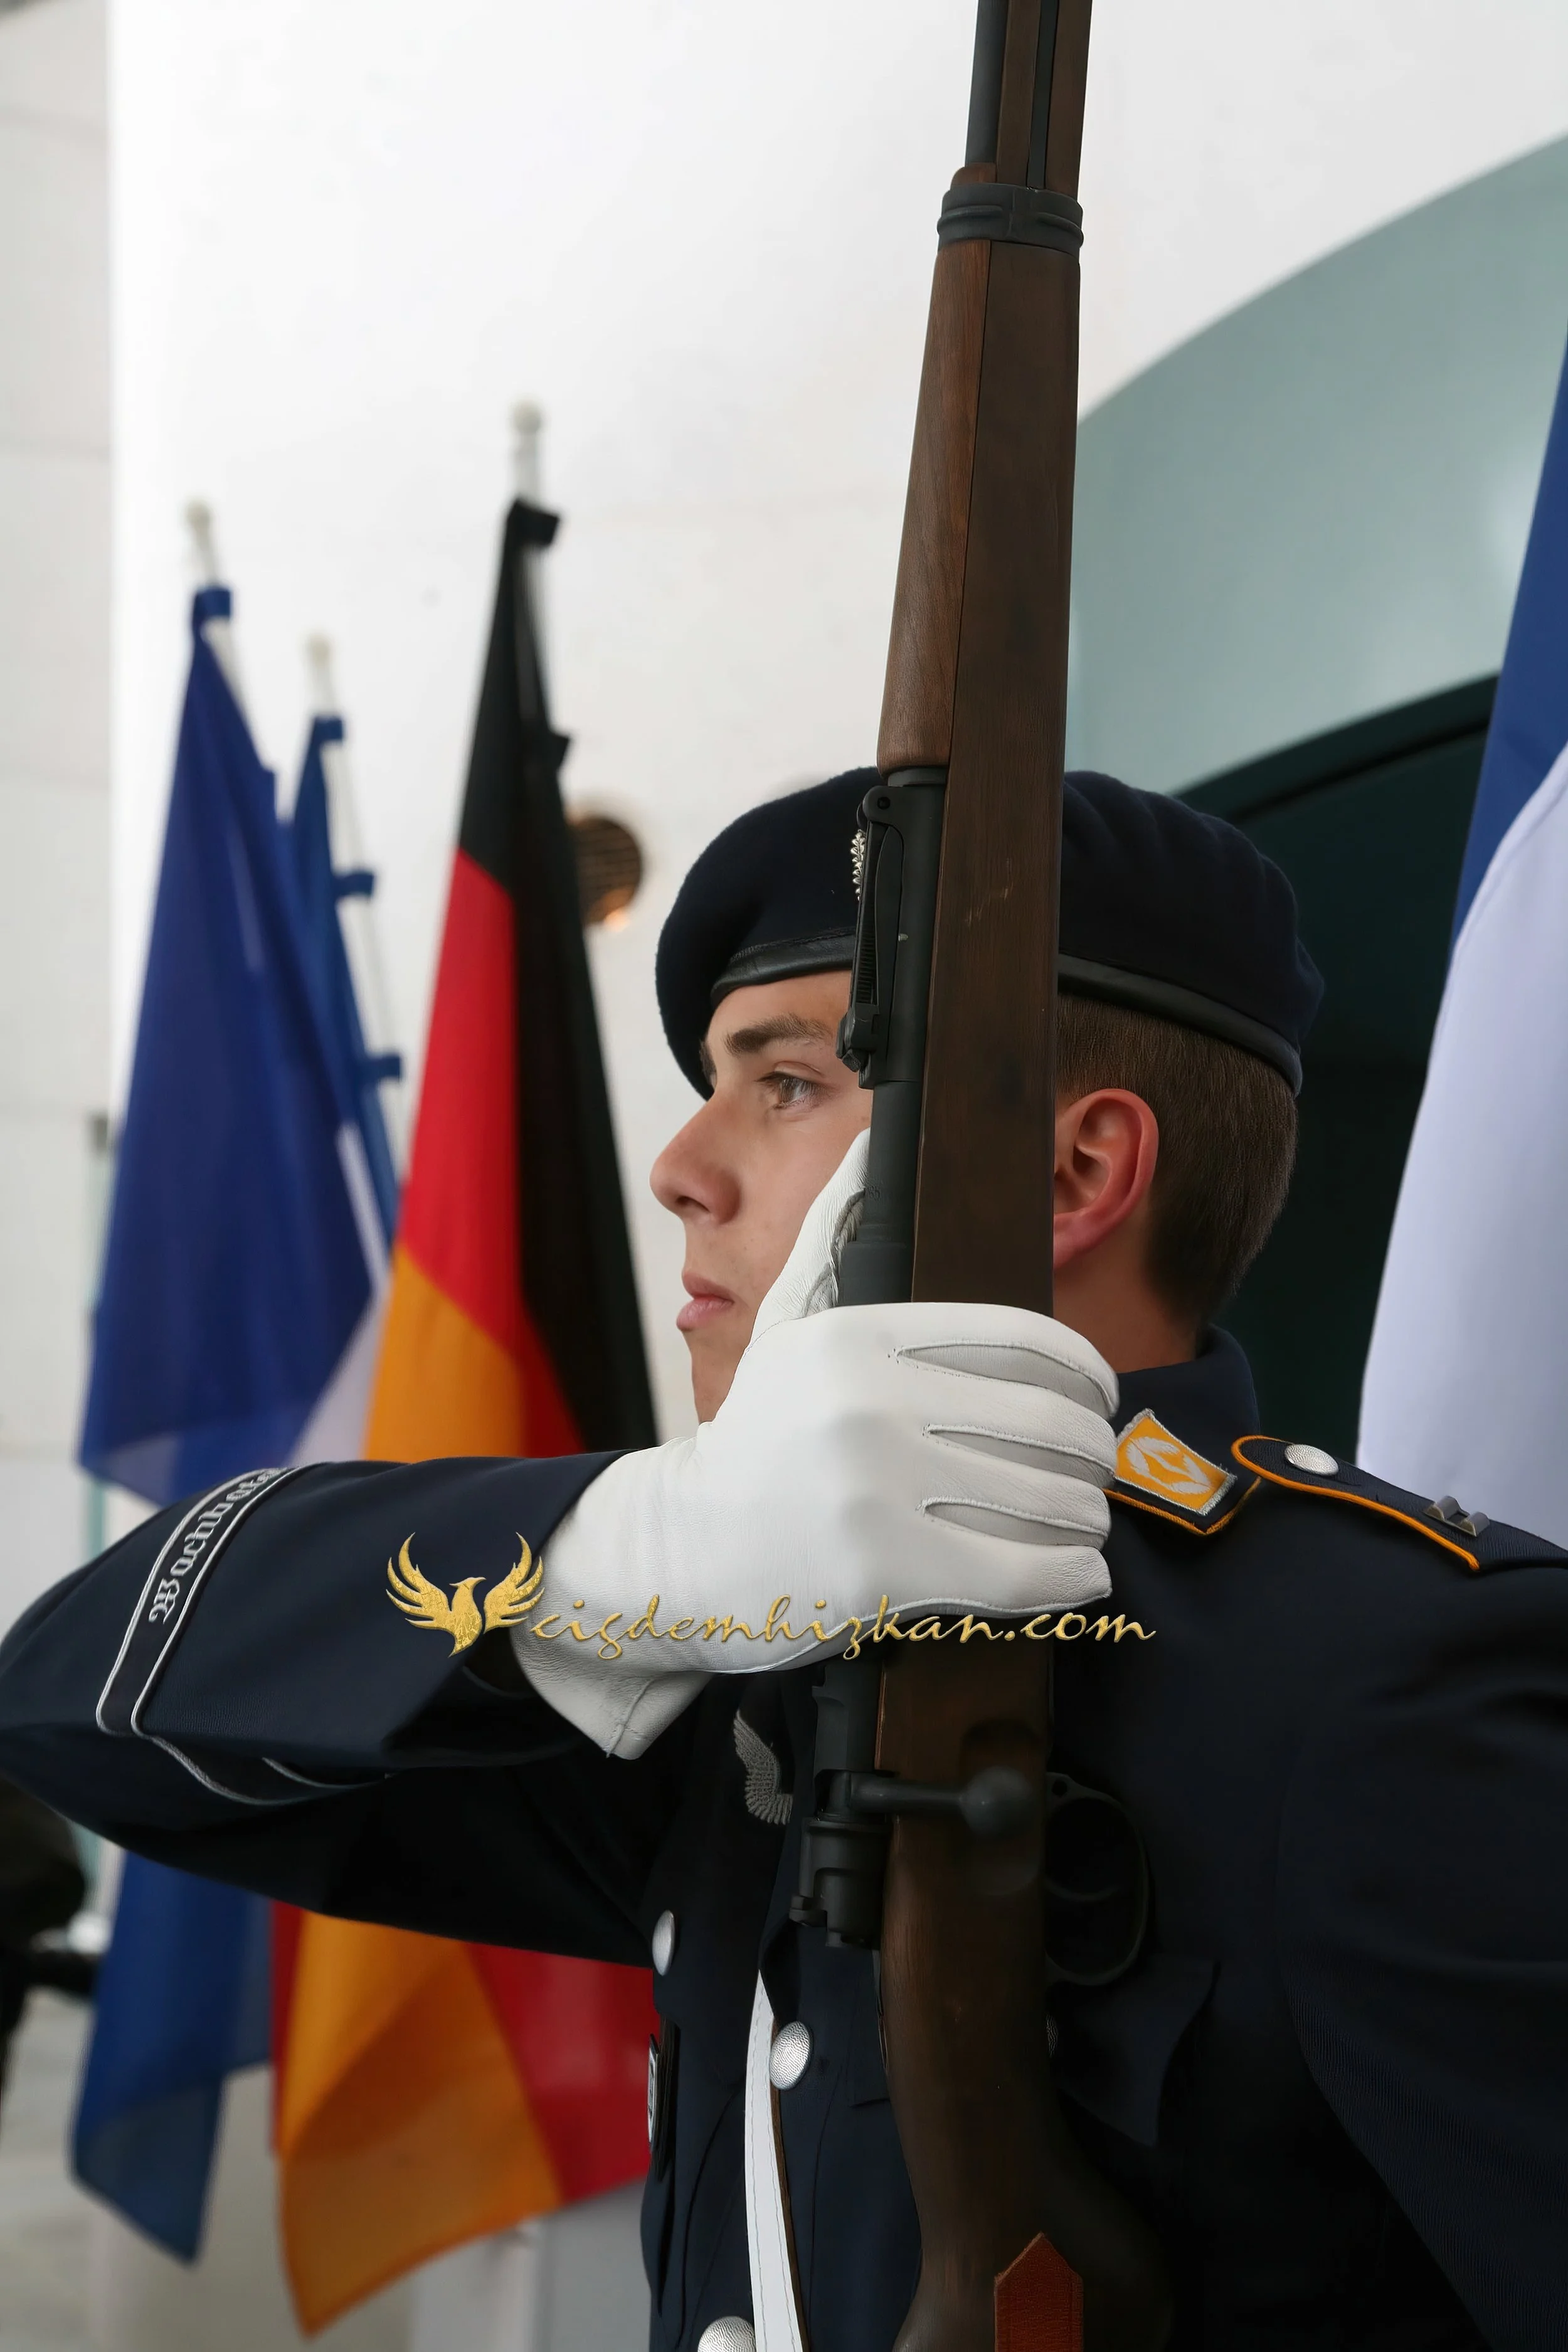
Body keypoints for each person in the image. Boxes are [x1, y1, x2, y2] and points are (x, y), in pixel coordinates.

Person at [0, 770, 1562, 2352]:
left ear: (1071, 1174)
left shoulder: (1379, 1678)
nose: (681, 1161)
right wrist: (627, 1553)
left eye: (790, 1082)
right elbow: (80, 1700)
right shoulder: (724, 1631)